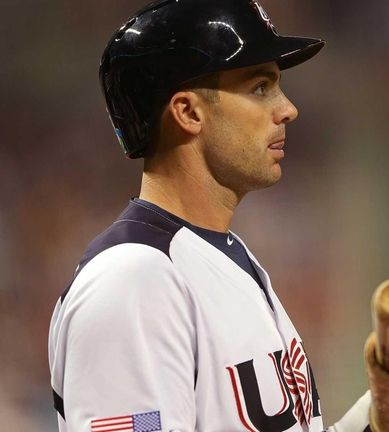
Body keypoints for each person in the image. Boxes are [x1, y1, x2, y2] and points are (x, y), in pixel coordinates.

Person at [47, 1, 371, 431]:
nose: (287, 108)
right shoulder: (134, 280)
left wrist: (381, 416)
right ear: (188, 113)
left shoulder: (222, 256)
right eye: (260, 87)